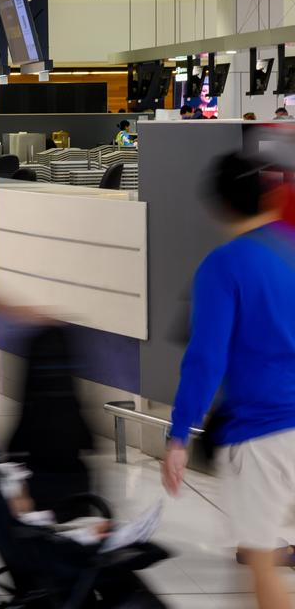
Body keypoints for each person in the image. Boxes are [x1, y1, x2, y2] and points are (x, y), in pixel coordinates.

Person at [163, 152, 295, 609]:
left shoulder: (225, 265)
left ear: (220, 206)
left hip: (264, 431)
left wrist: (179, 434)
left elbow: (205, 359)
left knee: (262, 563)